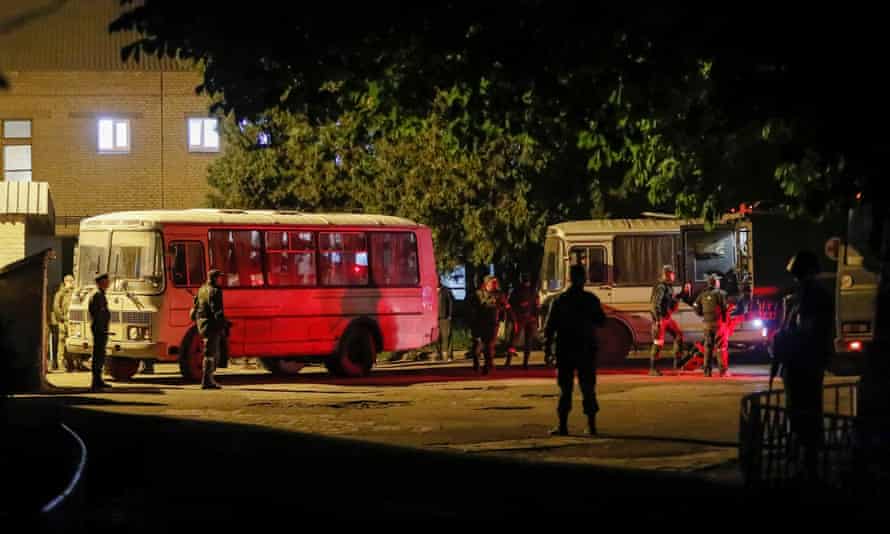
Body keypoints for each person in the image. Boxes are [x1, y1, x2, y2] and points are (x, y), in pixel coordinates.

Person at [772, 250, 832, 480]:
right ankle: (804, 458)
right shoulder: (805, 294)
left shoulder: (811, 295)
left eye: (796, 273)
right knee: (803, 412)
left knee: (803, 413)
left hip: (803, 364)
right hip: (804, 362)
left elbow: (807, 330)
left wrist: (784, 339)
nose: (794, 278)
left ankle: (807, 465)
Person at [543, 264, 606, 436]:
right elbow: (602, 321)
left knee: (565, 389)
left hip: (565, 349)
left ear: (569, 278)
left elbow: (549, 328)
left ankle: (563, 426)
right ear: (584, 279)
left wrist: (547, 351)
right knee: (588, 388)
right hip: (586, 349)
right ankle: (591, 426)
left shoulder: (559, 300)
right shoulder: (591, 299)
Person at [648, 265, 689, 376]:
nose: (673, 275)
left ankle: (677, 363)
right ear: (667, 274)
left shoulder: (668, 287)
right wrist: (657, 320)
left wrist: (683, 293)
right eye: (672, 273)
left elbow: (673, 299)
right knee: (658, 343)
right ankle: (652, 369)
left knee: (678, 335)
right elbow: (655, 304)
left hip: (667, 318)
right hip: (661, 319)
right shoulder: (661, 287)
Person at [194, 269, 228, 389]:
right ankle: (207, 380)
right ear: (215, 278)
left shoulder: (201, 289)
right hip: (212, 325)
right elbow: (217, 311)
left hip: (202, 324)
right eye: (219, 277)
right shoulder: (215, 291)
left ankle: (207, 380)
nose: (221, 279)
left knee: (208, 352)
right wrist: (224, 324)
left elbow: (195, 307)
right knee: (210, 353)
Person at [469, 275, 508, 374]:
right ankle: (476, 363)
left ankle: (487, 366)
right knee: (478, 346)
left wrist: (502, 309)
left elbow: (505, 306)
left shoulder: (499, 294)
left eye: (496, 283)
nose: (495, 285)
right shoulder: (479, 293)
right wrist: (494, 302)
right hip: (480, 323)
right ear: (487, 283)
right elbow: (481, 304)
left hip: (493, 323)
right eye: (492, 282)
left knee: (489, 345)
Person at [694, 273, 728, 377]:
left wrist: (700, 314)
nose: (719, 282)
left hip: (706, 323)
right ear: (715, 283)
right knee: (720, 347)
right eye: (718, 280)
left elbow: (695, 305)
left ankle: (707, 372)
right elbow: (724, 308)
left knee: (708, 347)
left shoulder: (702, 294)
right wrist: (724, 321)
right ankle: (722, 371)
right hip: (717, 323)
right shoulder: (720, 293)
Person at [506, 272, 539, 370]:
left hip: (520, 318)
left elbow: (510, 305)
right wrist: (535, 317)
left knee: (514, 340)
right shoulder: (533, 291)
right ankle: (525, 363)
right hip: (529, 318)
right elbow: (537, 306)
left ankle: (508, 362)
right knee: (528, 341)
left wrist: (513, 317)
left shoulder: (516, 291)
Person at [88, 273, 112, 390]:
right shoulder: (97, 295)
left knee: (100, 354)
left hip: (100, 328)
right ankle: (96, 381)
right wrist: (101, 328)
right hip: (99, 328)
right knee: (98, 354)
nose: (109, 282)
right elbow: (98, 314)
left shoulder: (100, 294)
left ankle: (98, 380)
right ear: (101, 282)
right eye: (106, 281)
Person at [52, 274, 75, 372]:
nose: (71, 283)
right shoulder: (60, 293)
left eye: (72, 281)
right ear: (65, 282)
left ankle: (70, 364)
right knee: (62, 342)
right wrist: (62, 317)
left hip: (72, 321)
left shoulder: (74, 293)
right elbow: (56, 307)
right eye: (69, 281)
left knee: (70, 342)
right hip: (63, 321)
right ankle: (61, 364)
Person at [436, 282, 455, 361]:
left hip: (445, 317)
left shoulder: (446, 290)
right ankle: (439, 354)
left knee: (447, 335)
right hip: (434, 318)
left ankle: (449, 355)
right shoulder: (430, 290)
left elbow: (451, 302)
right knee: (436, 337)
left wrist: (450, 314)